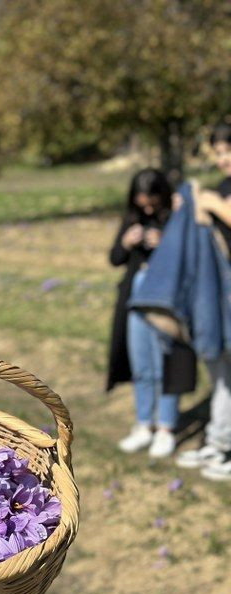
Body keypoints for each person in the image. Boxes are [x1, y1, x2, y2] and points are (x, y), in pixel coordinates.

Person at [109, 169, 189, 458]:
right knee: (142, 364)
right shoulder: (132, 217)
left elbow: (187, 259)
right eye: (141, 202)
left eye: (152, 202)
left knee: (167, 363)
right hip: (134, 300)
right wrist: (126, 243)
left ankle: (166, 427)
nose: (147, 208)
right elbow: (114, 258)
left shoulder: (175, 217)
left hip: (165, 302)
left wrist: (164, 243)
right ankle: (144, 424)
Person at [176, 120, 231, 480]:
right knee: (220, 367)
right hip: (221, 291)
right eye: (219, 153)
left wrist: (215, 204)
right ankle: (219, 441)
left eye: (228, 151)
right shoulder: (224, 186)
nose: (223, 159)